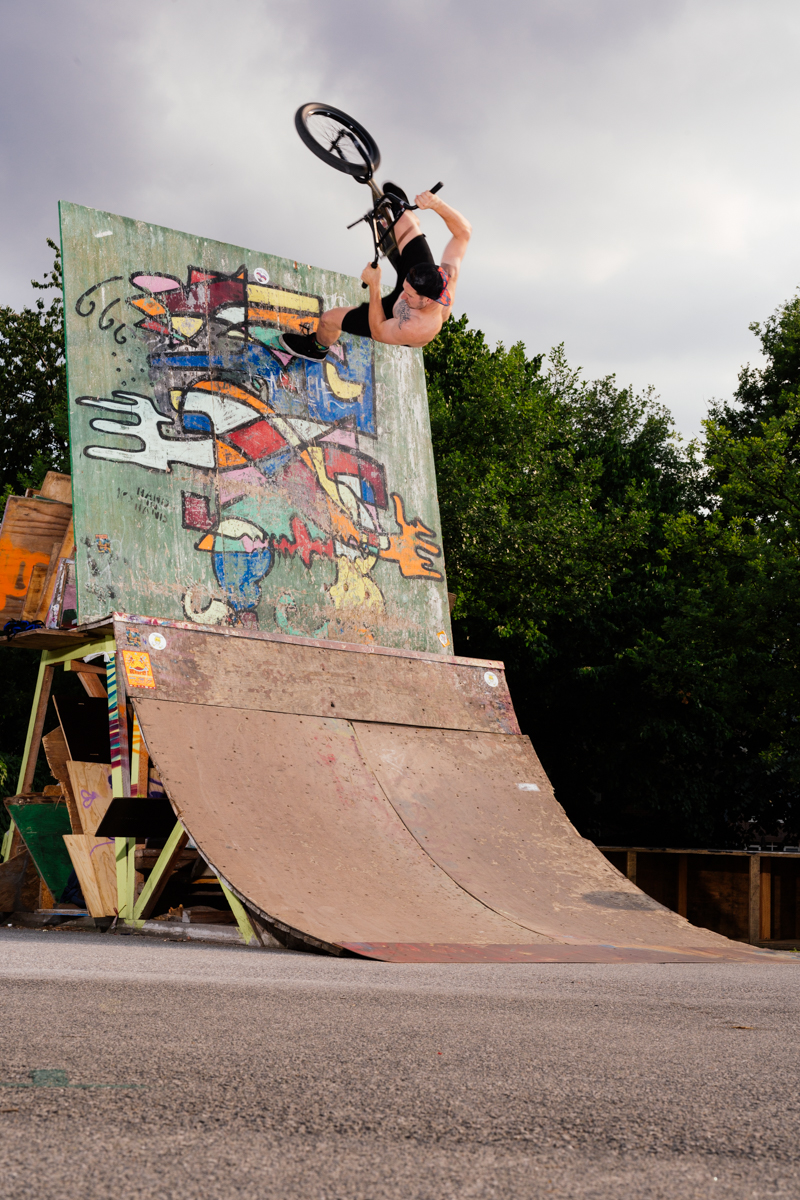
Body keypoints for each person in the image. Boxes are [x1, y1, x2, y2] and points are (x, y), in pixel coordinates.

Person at [280, 184, 471, 360]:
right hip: (419, 274)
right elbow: (463, 233)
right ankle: (409, 222)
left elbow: (378, 331)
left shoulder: (416, 328)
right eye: (405, 290)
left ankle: (316, 349)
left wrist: (375, 285)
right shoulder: (446, 275)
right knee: (402, 218)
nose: (403, 296)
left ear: (427, 300)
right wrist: (437, 204)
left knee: (328, 319)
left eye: (409, 295)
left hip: (386, 317)